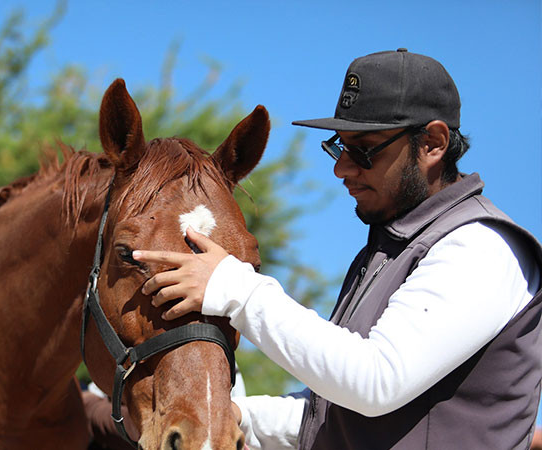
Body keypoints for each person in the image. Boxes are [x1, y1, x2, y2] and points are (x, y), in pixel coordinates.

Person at [133, 49, 542, 449]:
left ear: (433, 143)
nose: (341, 167)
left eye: (363, 149)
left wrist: (235, 289)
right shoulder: (389, 251)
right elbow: (342, 417)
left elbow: (377, 381)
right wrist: (237, 416)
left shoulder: (481, 248)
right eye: (337, 146)